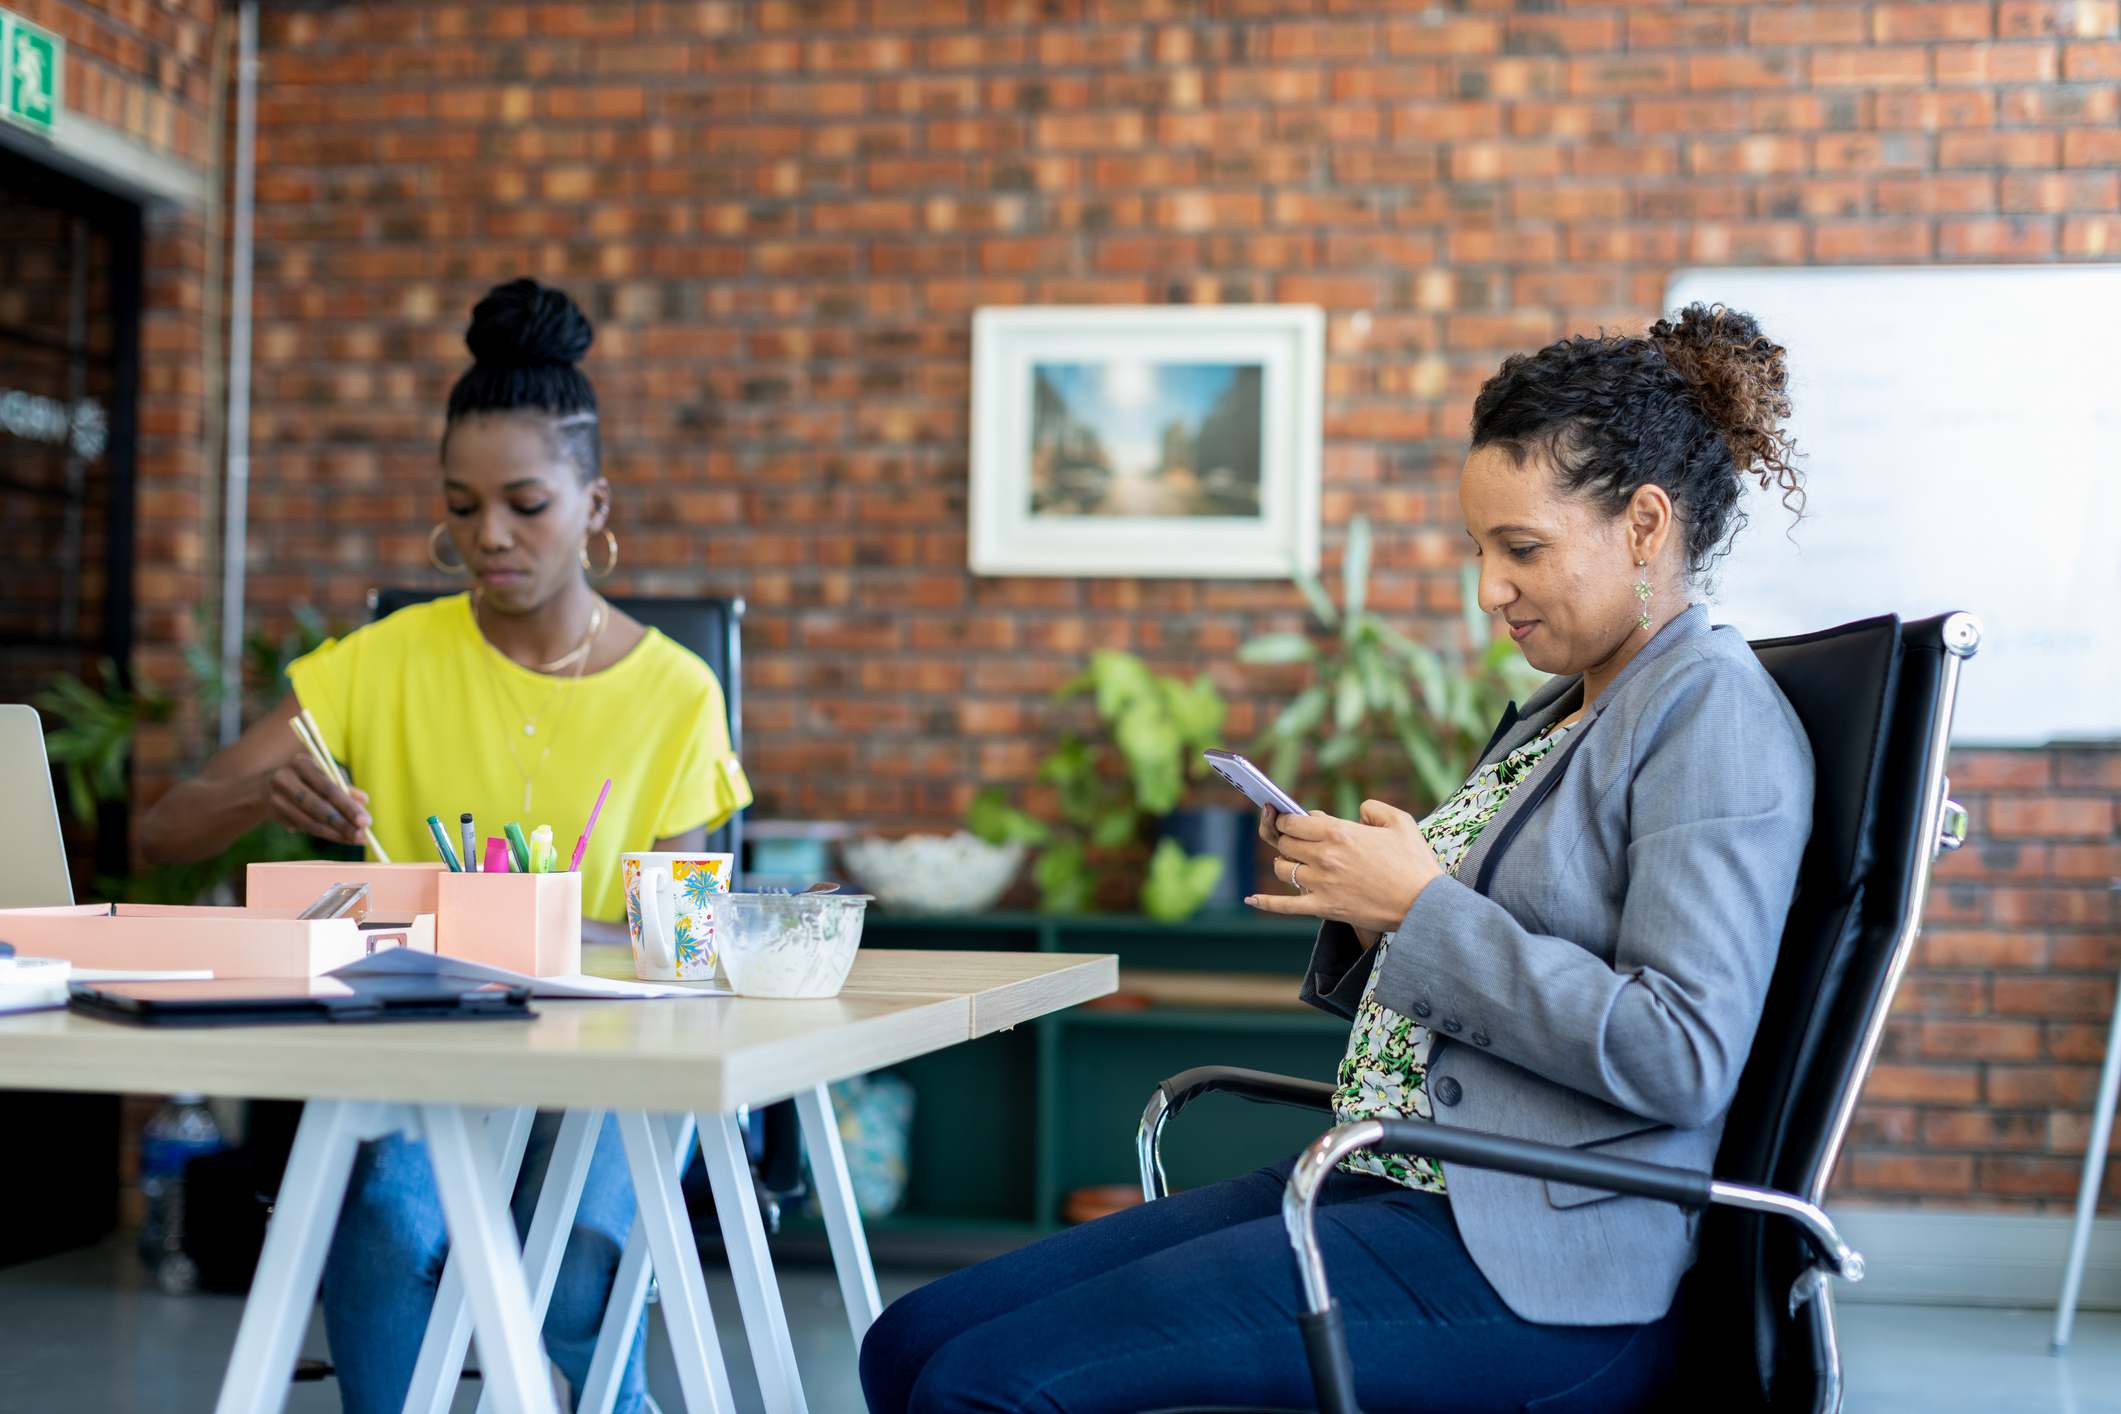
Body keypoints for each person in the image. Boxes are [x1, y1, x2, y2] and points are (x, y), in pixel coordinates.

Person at [858, 304, 1817, 1413]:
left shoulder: (1711, 716)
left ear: (1645, 527)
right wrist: (1373, 907)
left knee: (978, 1384)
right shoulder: (1563, 712)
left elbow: (1681, 1051)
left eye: (1522, 549)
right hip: (1390, 1180)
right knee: (909, 1340)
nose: (1487, 590)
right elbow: (1480, 962)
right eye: (1479, 549)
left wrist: (1419, 910)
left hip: (1531, 1262)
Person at [139, 278, 751, 1414]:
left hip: (613, 1062)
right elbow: (166, 824)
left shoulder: (677, 693)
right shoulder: (383, 660)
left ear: (595, 503)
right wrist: (261, 789)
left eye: (525, 503)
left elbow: (687, 941)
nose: (489, 537)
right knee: (382, 1229)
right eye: (461, 507)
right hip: (431, 1057)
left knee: (576, 1273)